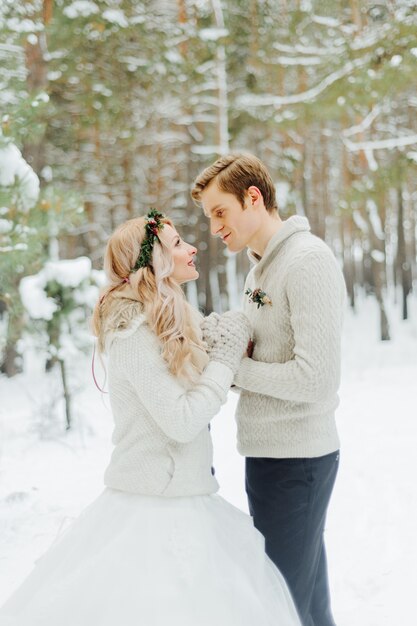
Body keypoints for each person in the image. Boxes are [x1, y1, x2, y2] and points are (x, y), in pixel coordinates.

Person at [0, 210, 301, 626]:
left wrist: (218, 340)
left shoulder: (171, 317)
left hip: (192, 498)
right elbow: (181, 420)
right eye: (177, 243)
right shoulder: (131, 333)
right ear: (154, 263)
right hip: (150, 513)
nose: (192, 247)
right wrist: (225, 361)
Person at [192, 154, 346, 626]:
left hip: (296, 462)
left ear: (253, 198)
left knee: (281, 605)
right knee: (305, 602)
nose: (215, 227)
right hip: (273, 458)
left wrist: (233, 370)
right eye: (209, 217)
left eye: (221, 212)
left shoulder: (307, 261)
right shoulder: (259, 269)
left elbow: (316, 378)